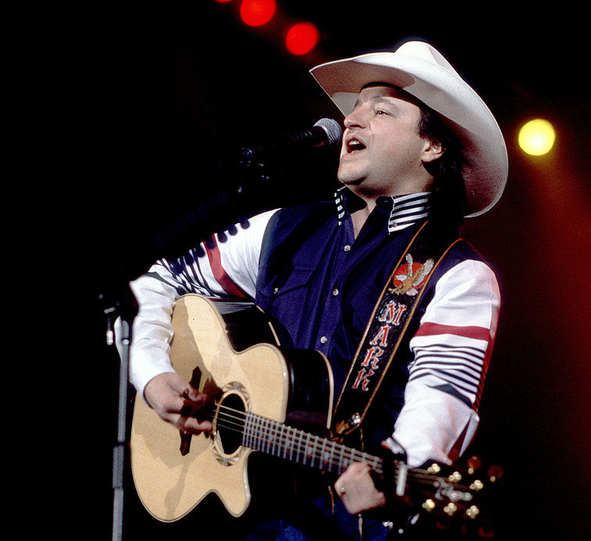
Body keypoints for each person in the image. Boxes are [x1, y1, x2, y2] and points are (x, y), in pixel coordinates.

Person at [123, 41, 508, 540]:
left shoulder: (458, 274)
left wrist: (399, 468)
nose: (352, 120)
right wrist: (153, 373)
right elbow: (155, 280)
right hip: (247, 520)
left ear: (432, 146)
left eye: (381, 109)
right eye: (353, 109)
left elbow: (443, 394)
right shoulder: (283, 229)